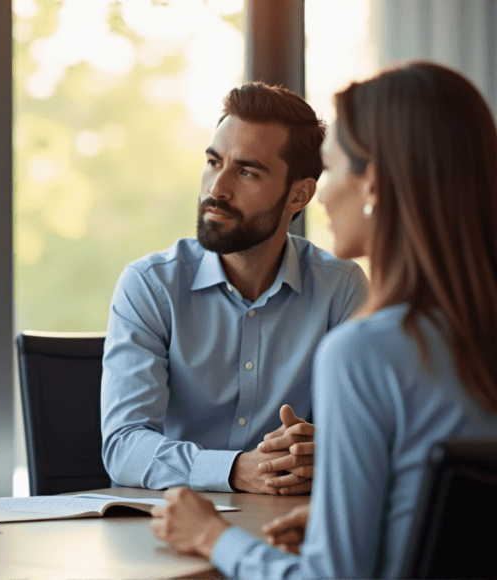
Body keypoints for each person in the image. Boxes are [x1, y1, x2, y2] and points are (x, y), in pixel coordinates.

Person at [151, 61, 497, 578]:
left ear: (374, 184)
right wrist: (363, 510)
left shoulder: (367, 351)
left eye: (331, 168)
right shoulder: (474, 339)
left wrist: (212, 536)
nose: (323, 193)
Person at [101, 82, 369, 496]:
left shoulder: (341, 288)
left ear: (299, 194)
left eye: (246, 171)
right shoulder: (151, 285)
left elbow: (365, 435)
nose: (217, 188)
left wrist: (322, 448)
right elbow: (123, 446)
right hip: (167, 528)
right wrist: (235, 470)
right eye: (213, 162)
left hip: (290, 522)